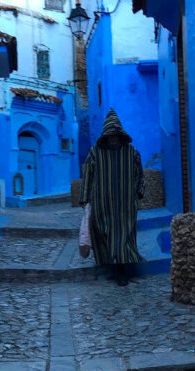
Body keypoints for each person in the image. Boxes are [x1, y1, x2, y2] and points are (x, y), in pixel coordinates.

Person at [80, 109, 144, 286]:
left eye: (116, 135)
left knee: (124, 237)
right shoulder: (95, 153)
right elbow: (88, 176)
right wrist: (84, 198)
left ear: (120, 134)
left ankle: (122, 271)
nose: (113, 139)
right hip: (102, 204)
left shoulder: (131, 153)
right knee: (105, 235)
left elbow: (140, 174)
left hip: (125, 205)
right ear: (106, 136)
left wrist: (139, 193)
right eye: (110, 135)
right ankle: (114, 268)